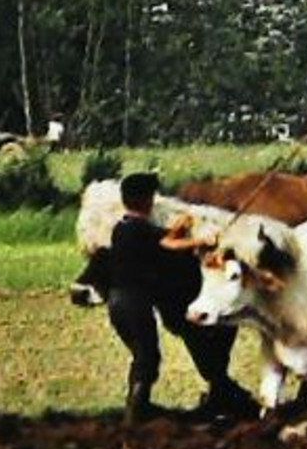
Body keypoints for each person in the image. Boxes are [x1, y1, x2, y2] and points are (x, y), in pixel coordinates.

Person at [105, 172, 253, 423]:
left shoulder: (123, 227)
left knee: (143, 354)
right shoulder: (141, 228)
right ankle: (135, 414)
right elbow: (168, 245)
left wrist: (179, 226)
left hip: (116, 302)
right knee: (147, 357)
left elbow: (162, 237)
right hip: (135, 303)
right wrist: (201, 239)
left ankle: (137, 408)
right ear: (148, 200)